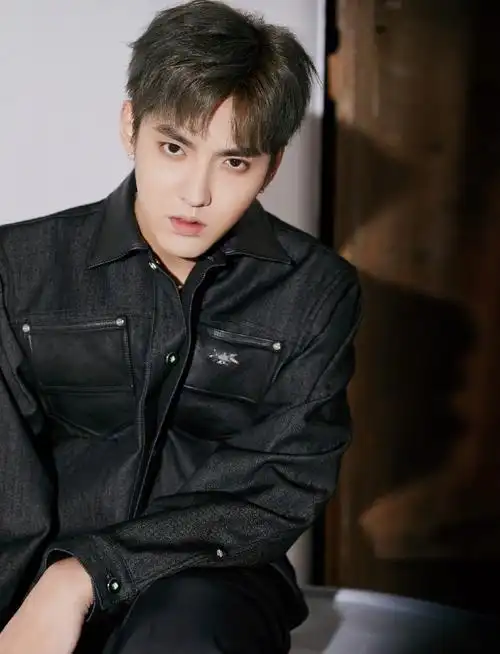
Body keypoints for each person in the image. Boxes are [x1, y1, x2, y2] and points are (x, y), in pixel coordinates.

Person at [0, 1, 361, 652]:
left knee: (185, 617)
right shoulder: (18, 269)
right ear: (129, 126)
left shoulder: (314, 292)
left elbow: (279, 485)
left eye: (234, 162)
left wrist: (87, 575)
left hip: (212, 583)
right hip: (31, 580)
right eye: (174, 147)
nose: (196, 194)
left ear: (272, 165)